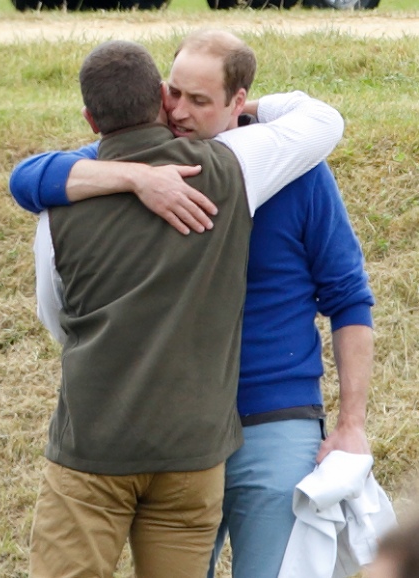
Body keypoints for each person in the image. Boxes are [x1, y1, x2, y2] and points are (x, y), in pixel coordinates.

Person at [23, 35, 345, 578]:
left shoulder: (60, 203)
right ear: (160, 97)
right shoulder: (231, 168)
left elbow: (56, 318)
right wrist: (247, 108)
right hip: (192, 453)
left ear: (88, 116)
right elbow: (320, 121)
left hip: (94, 442)